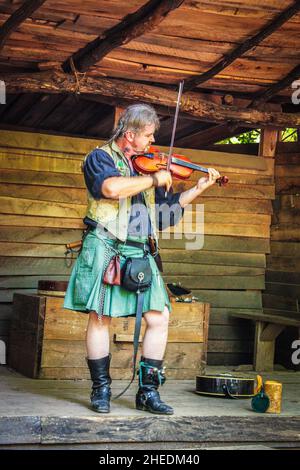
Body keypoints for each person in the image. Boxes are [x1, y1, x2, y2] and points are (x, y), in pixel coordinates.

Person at [64, 103, 220, 415]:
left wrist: (198, 189)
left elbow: (164, 216)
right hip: (105, 244)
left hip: (141, 249)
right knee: (100, 317)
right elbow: (110, 188)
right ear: (130, 135)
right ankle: (102, 390)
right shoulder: (100, 158)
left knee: (159, 316)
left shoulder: (149, 165)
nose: (151, 143)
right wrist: (153, 180)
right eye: (147, 136)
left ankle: (148, 393)